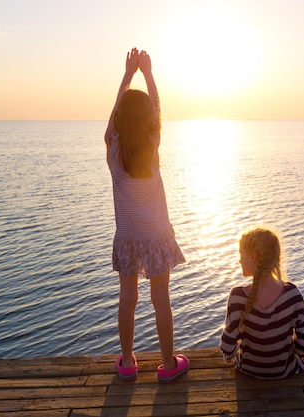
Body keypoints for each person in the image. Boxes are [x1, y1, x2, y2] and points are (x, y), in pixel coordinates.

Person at [104, 48, 188, 383]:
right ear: (147, 121)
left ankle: (127, 362)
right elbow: (156, 113)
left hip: (128, 237)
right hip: (156, 235)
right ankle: (168, 365)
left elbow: (112, 122)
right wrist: (148, 74)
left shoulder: (113, 150)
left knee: (127, 299)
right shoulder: (152, 145)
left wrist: (127, 76)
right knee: (160, 300)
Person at [220, 228, 304, 379]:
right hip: (284, 371)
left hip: (247, 371)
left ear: (253, 256)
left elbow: (227, 346)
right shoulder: (292, 294)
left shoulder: (237, 297)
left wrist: (230, 357)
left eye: (240, 254)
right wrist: (299, 355)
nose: (239, 260)